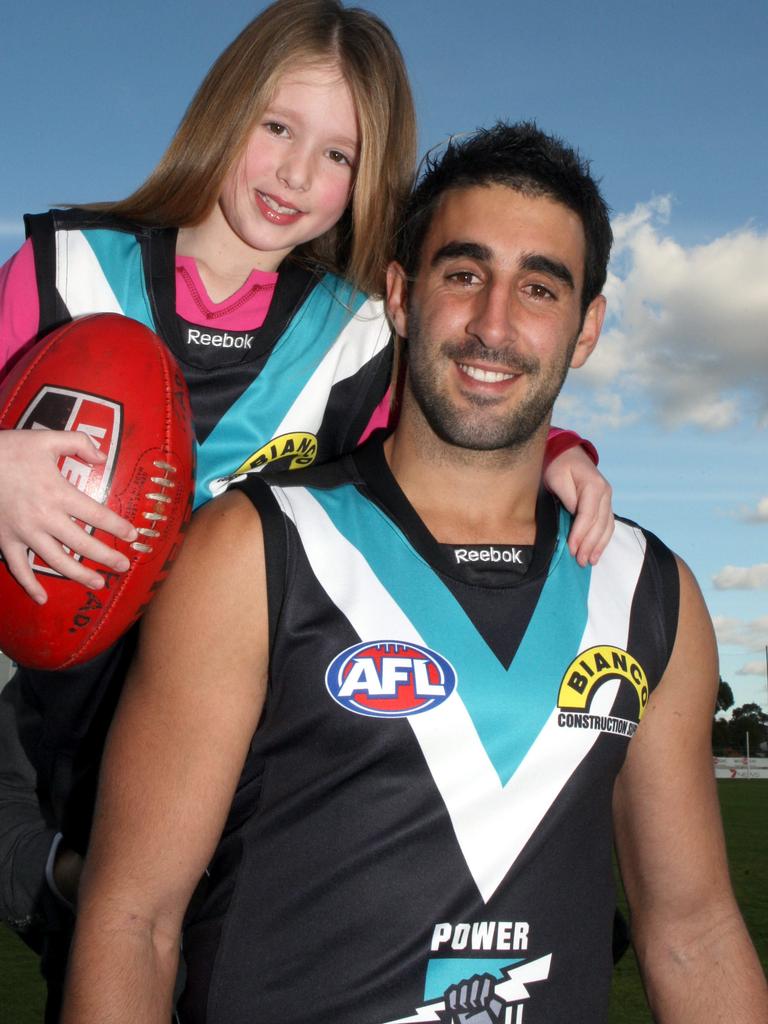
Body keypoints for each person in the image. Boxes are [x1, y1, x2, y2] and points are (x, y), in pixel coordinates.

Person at [62, 122, 768, 1024]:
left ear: (587, 327)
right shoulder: (257, 545)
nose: (494, 324)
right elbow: (132, 921)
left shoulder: (649, 591)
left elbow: (694, 933)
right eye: (463, 274)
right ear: (401, 294)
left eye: (540, 287)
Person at [0, 2, 612, 1015]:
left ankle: (58, 876)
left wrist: (563, 454)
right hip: (58, 724)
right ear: (223, 111)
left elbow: (449, 431)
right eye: (277, 128)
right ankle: (52, 869)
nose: (294, 176)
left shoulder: (356, 338)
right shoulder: (65, 270)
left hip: (233, 757)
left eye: (337, 153)